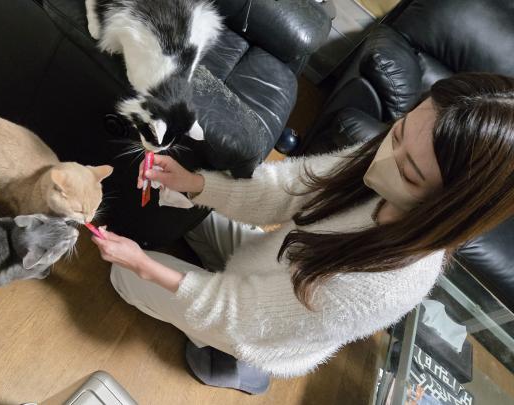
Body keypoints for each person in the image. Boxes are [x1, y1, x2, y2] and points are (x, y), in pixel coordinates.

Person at [91, 73, 514, 394]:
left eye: (409, 172)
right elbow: (288, 187)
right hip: (273, 266)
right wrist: (196, 184)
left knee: (123, 277)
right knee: (183, 209)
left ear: (448, 205)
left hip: (259, 331)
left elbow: (239, 312)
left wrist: (141, 265)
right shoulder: (390, 154)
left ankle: (239, 367)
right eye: (398, 133)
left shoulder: (383, 285)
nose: (386, 158)